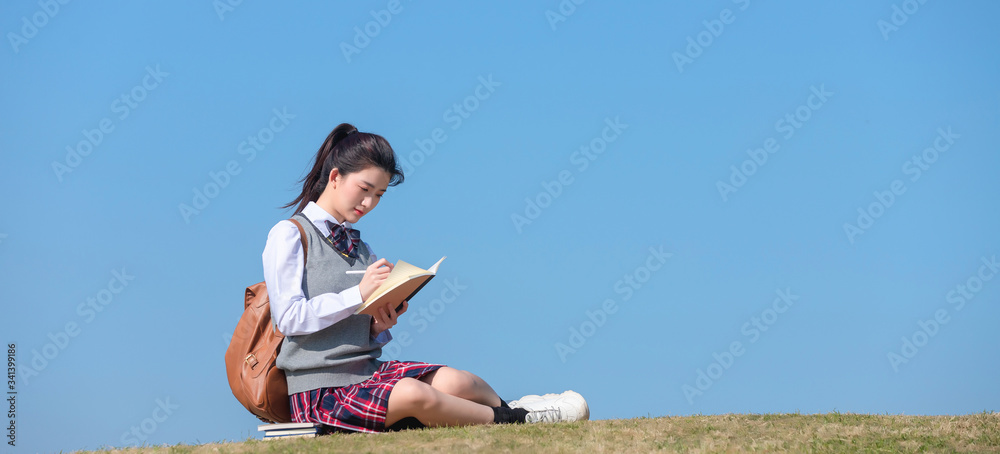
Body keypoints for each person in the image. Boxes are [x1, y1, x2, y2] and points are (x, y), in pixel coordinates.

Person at [261, 123, 588, 433]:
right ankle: (518, 419)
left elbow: (354, 324)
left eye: (379, 194)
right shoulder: (290, 235)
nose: (369, 202)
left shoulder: (361, 247)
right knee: (413, 394)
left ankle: (516, 407)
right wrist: (358, 295)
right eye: (364, 189)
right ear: (335, 177)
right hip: (320, 390)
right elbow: (288, 319)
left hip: (368, 373)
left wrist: (378, 326)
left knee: (456, 381)